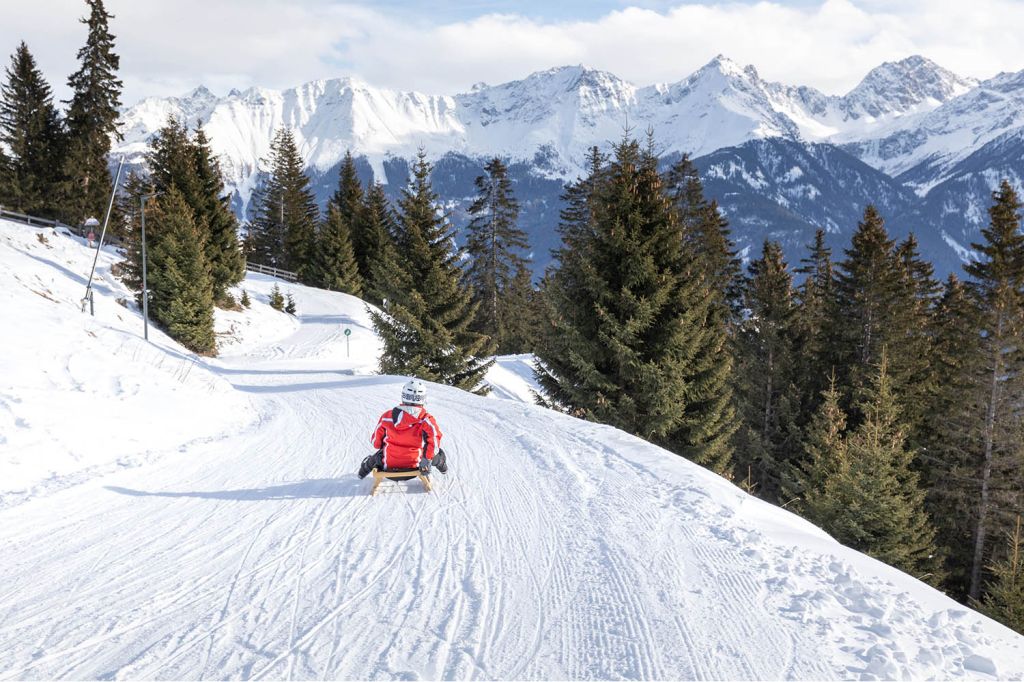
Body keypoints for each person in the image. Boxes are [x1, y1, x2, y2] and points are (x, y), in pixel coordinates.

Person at [358, 379, 448, 478]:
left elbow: (376, 443)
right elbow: (434, 441)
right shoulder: (426, 420)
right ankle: (442, 465)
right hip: (416, 468)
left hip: (388, 468)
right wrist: (427, 459)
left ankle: (363, 471)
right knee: (433, 452)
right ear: (423, 398)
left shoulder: (387, 417)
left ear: (404, 396)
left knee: (379, 454)